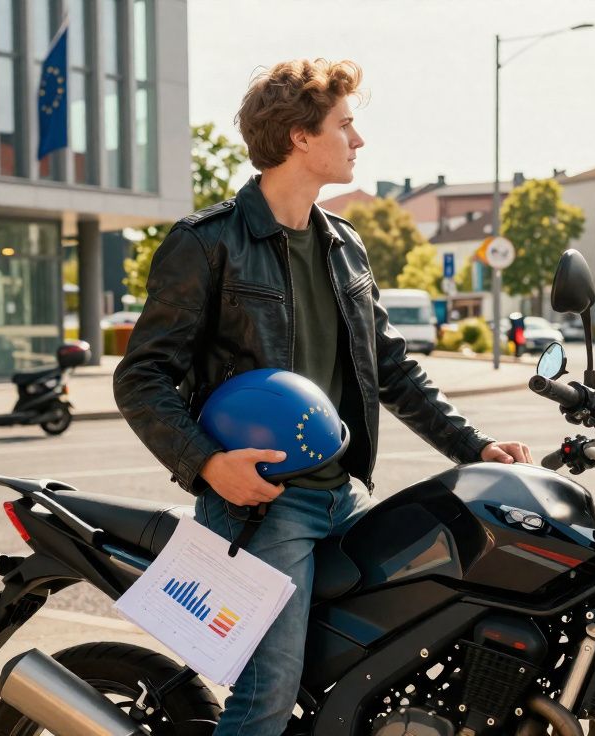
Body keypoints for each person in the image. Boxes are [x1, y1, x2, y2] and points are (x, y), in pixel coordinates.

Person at [113, 58, 534, 736]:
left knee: (377, 671)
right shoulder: (208, 243)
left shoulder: (346, 247)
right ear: (299, 137)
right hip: (265, 509)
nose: (358, 140)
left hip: (342, 495)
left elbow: (392, 370)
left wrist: (474, 446)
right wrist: (208, 464)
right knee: (265, 703)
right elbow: (141, 377)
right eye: (345, 125)